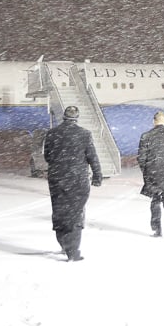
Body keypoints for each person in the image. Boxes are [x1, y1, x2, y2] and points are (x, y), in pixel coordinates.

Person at [43, 106, 102, 261]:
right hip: (78, 179)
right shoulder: (84, 134)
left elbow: (47, 156)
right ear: (77, 117)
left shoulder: (52, 133)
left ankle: (63, 243)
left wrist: (60, 165)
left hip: (57, 178)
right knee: (76, 213)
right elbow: (92, 156)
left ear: (64, 117)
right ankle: (73, 251)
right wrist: (97, 175)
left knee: (59, 211)